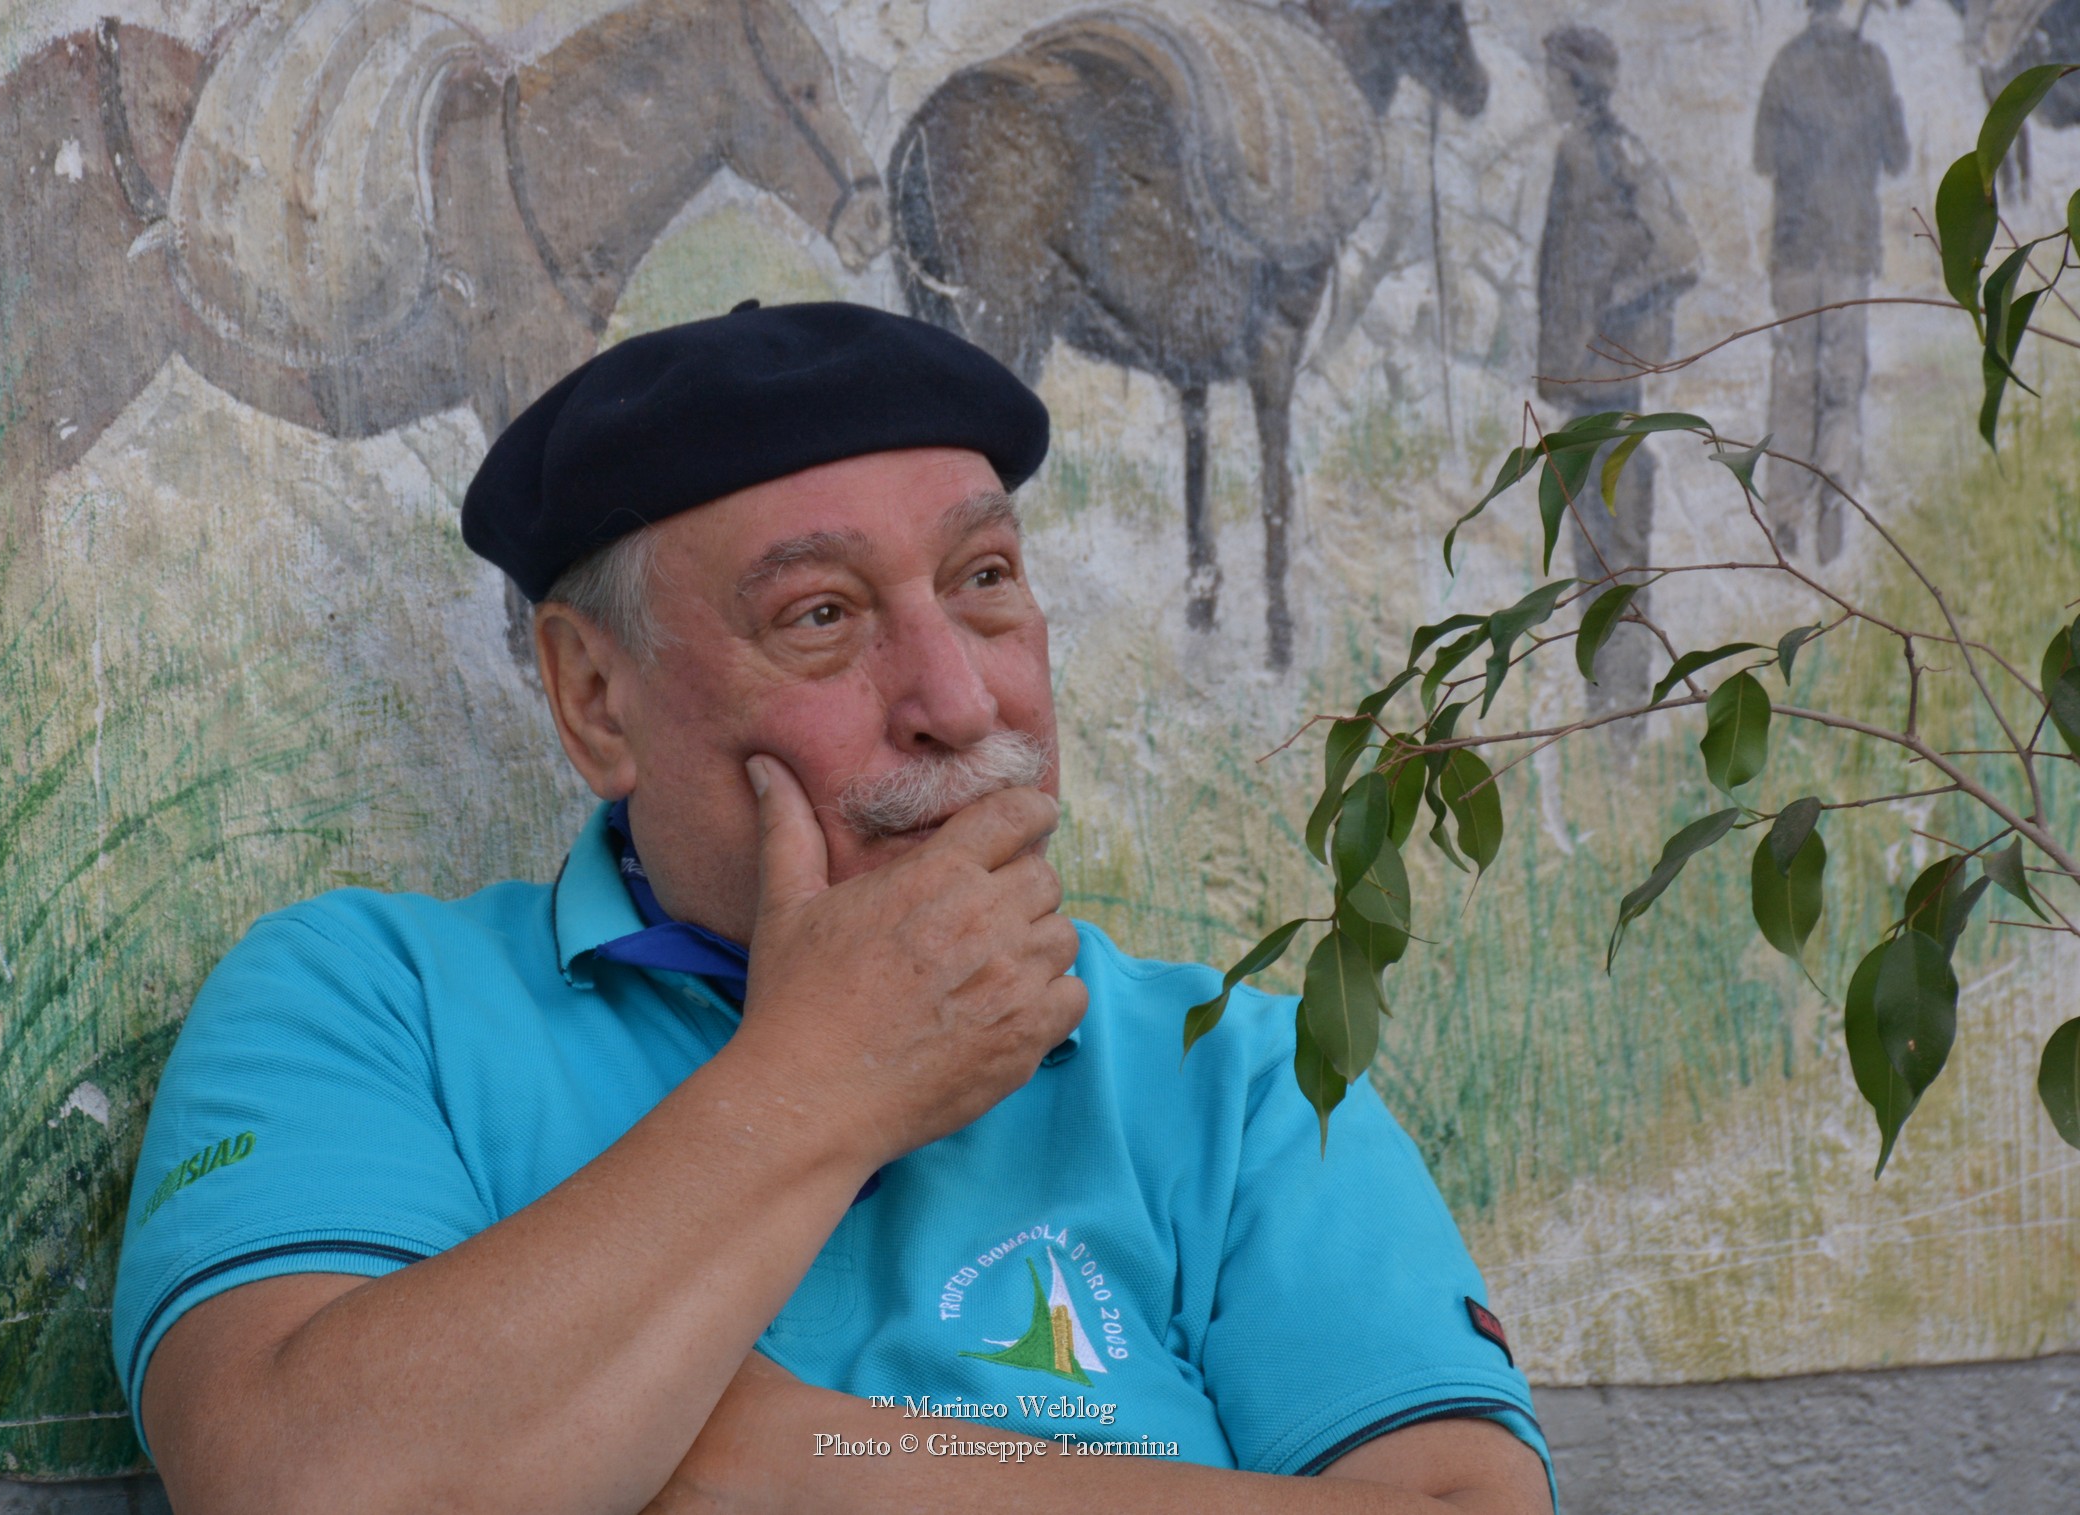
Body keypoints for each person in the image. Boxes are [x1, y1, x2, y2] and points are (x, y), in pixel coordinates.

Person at [112, 301, 1554, 1515]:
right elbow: (314, 1485)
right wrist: (822, 1079)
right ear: (595, 696)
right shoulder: (369, 1000)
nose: (958, 701)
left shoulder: (1232, 1072)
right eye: (821, 615)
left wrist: (755, 1456)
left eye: (984, 581)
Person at [1534, 26, 1699, 716]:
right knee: (1607, 569)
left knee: (1610, 569)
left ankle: (1617, 719)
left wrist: (1613, 307)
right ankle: (1613, 719)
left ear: (1576, 84)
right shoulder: (1605, 150)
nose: (1545, 88)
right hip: (1599, 401)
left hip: (1603, 402)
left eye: (1552, 76)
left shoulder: (1588, 154)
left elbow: (1679, 254)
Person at [1753, 0, 1908, 563]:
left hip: (1796, 249)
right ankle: (1836, 472)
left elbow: (1763, 158)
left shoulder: (1785, 63)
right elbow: (1897, 156)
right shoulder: (1872, 62)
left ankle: (1785, 510)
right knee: (1843, 375)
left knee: (1795, 378)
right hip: (1850, 249)